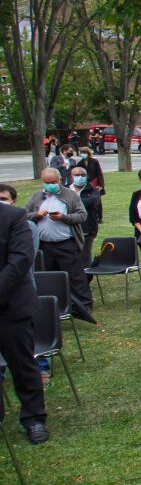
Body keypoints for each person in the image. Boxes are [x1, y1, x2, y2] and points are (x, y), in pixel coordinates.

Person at [0, 184, 48, 444]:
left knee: (22, 365)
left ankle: (34, 418)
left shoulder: (13, 217)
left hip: (11, 306)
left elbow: (19, 261)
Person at [25, 168, 93, 320]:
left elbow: (82, 215)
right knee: (48, 277)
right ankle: (53, 305)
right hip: (44, 245)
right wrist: (37, 215)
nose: (50, 185)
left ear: (60, 180)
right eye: (47, 183)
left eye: (53, 182)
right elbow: (24, 215)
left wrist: (64, 217)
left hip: (66, 243)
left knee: (75, 276)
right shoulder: (37, 197)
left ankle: (84, 304)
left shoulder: (70, 195)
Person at [71, 166, 102, 271]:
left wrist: (70, 204)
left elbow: (91, 203)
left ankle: (85, 281)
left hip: (87, 230)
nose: (80, 177)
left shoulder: (93, 191)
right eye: (77, 175)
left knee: (85, 257)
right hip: (67, 230)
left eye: (82, 175)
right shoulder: (65, 190)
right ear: (71, 176)